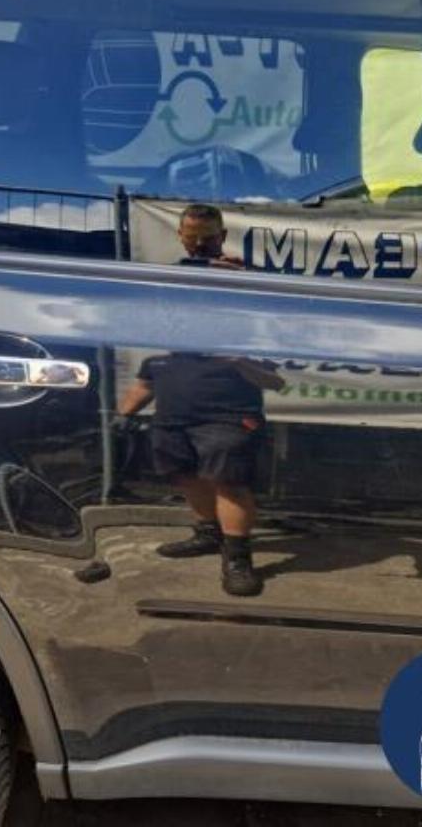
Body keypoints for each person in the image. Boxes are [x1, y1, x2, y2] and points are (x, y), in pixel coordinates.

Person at [118, 204, 284, 596]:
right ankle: (209, 533)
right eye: (191, 237)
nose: (199, 245)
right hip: (175, 397)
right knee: (185, 474)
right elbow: (145, 330)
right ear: (179, 236)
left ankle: (238, 558)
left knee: (230, 481)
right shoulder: (172, 278)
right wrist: (120, 416)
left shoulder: (244, 278)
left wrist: (244, 281)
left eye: (207, 238)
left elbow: (277, 324)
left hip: (229, 407)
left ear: (222, 236)